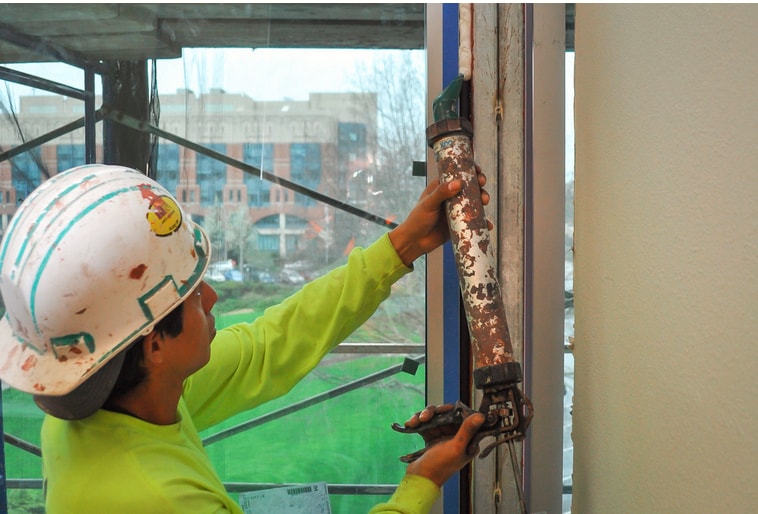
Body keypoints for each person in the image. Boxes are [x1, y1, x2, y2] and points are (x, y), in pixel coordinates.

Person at [0, 163, 488, 513]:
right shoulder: (161, 499)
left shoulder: (106, 397)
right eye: (192, 294)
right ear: (153, 345)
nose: (212, 297)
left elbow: (271, 344)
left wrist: (405, 244)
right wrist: (421, 483)